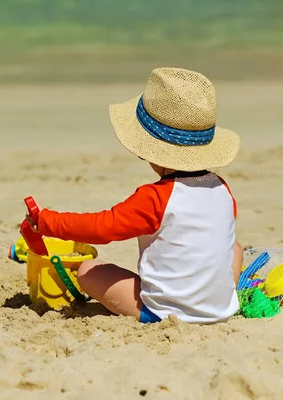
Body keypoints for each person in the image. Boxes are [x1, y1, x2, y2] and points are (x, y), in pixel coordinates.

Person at [27, 67, 243, 324]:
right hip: (221, 311)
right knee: (235, 248)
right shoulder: (222, 189)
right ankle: (215, 301)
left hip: (165, 314)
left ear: (151, 151)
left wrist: (46, 222)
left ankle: (161, 311)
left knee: (90, 271)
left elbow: (101, 228)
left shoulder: (155, 198)